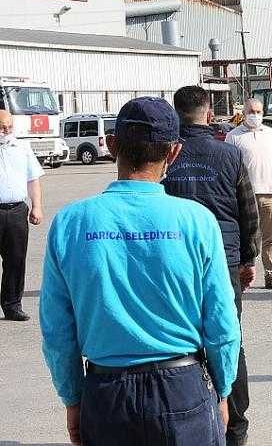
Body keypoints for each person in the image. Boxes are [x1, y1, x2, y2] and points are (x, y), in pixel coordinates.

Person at [40, 97, 240, 446]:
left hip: (106, 396)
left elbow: (57, 331)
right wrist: (223, 391)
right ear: (174, 153)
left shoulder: (70, 224)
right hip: (183, 391)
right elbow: (222, 323)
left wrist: (73, 399)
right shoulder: (197, 222)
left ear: (112, 144)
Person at [163, 86, 261, 446]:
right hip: (224, 261)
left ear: (177, 115)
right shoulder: (230, 155)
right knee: (229, 339)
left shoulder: (166, 156)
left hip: (177, 263)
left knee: (180, 342)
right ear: (208, 113)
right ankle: (236, 428)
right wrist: (248, 259)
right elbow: (248, 212)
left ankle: (186, 421)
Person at [226, 99, 272, 290]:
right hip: (245, 194)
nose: (255, 115)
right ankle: (243, 275)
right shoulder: (234, 136)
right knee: (247, 238)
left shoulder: (270, 133)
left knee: (270, 238)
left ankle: (271, 275)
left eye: (259, 111)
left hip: (270, 193)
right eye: (251, 111)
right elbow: (230, 168)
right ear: (243, 112)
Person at [0, 109, 43, 321]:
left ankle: (12, 305)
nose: (5, 132)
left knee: (16, 260)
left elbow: (32, 179)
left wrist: (37, 206)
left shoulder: (22, 148)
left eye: (8, 128)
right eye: (1, 128)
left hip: (16, 210)